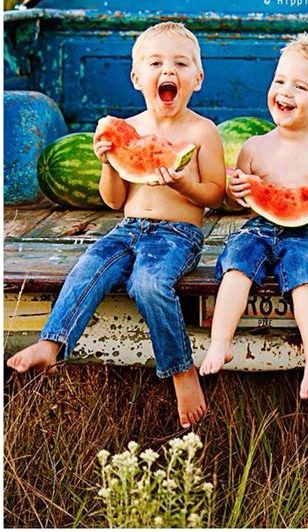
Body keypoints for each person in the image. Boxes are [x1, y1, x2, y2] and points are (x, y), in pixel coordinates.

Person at [7, 22, 226, 428]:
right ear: (137, 76)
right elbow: (114, 200)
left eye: (180, 63)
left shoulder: (202, 131)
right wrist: (109, 163)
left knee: (148, 284)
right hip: (127, 229)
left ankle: (181, 372)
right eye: (156, 62)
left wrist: (184, 183)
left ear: (198, 77)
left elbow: (215, 193)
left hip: (178, 236)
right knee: (88, 266)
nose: (168, 71)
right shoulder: (127, 130)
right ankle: (52, 343)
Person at [199, 33, 308, 398]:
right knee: (236, 268)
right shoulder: (254, 146)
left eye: (300, 86)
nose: (285, 91)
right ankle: (220, 342)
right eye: (279, 81)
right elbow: (239, 200)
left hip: (307, 234)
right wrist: (238, 191)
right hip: (257, 228)